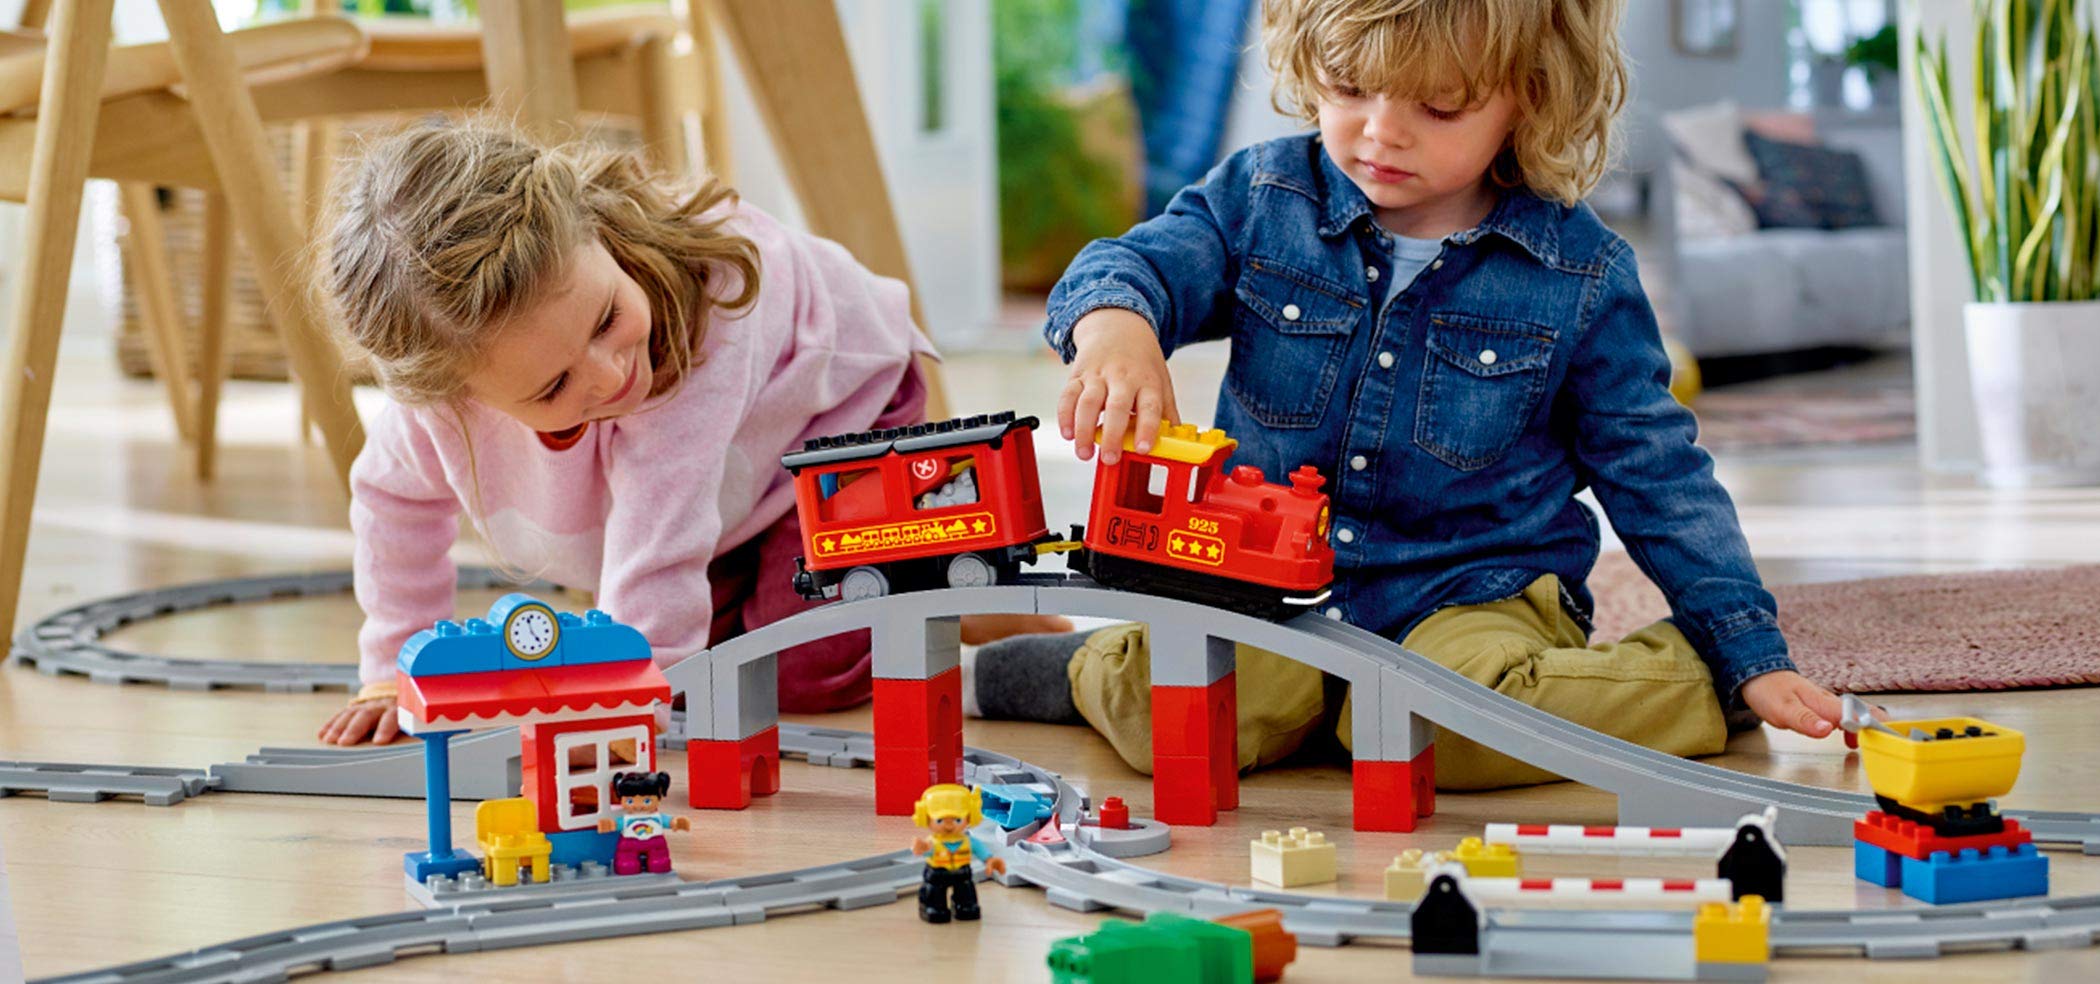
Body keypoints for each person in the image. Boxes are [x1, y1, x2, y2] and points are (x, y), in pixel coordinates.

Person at [973, 0, 1851, 790]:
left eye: (1438, 107)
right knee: (1181, 720)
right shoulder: (1263, 197)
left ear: (1529, 98)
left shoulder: (1582, 275)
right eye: (1351, 87)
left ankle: (1697, 681)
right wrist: (1116, 330)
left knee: (1447, 722)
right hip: (1269, 584)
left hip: (1473, 594)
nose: (1380, 133)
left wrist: (1745, 646)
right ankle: (1068, 671)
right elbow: (1134, 265)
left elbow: (1659, 474)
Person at [318, 119, 1064, 745]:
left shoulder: (706, 317)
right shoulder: (440, 407)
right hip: (736, 479)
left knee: (802, 668)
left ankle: (946, 588)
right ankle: (827, 581)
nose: (612, 375)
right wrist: (393, 670)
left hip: (839, 416)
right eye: (553, 387)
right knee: (714, 654)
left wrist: (620, 714)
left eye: (607, 319)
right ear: (456, 400)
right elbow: (393, 503)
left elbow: (658, 537)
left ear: (594, 229)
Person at [909, 783, 1006, 923]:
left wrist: (989, 860)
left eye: (957, 819)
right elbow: (927, 851)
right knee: (934, 892)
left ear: (969, 816)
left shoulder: (968, 841)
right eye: (940, 820)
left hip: (962, 873)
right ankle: (934, 907)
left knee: (966, 890)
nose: (949, 825)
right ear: (926, 818)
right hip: (938, 873)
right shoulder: (933, 842)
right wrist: (922, 848)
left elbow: (980, 849)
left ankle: (965, 906)